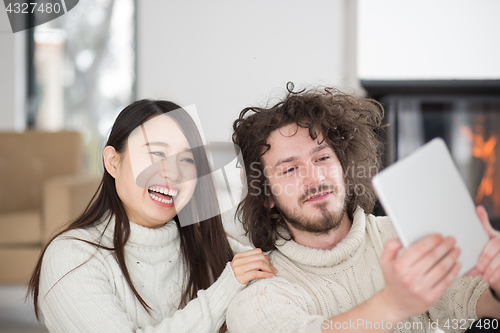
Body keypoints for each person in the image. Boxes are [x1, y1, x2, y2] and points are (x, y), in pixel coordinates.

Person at [227, 83, 500, 333]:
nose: (315, 178)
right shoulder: (262, 290)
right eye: (290, 169)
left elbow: (478, 301)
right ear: (266, 195)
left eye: (322, 158)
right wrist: (393, 304)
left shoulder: (405, 233)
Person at [27, 99, 276, 333]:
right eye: (157, 154)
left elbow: (285, 271)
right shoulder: (72, 257)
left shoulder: (209, 246)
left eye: (187, 159)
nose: (173, 173)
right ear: (113, 162)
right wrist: (225, 289)